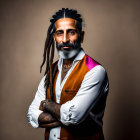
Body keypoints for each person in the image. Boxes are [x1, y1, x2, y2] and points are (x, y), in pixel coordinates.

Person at [27, 8, 109, 140]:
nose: (65, 39)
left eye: (71, 32)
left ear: (81, 36)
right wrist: (64, 116)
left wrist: (47, 104)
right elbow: (32, 114)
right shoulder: (51, 70)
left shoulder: (95, 71)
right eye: (60, 33)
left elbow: (74, 116)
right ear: (54, 37)